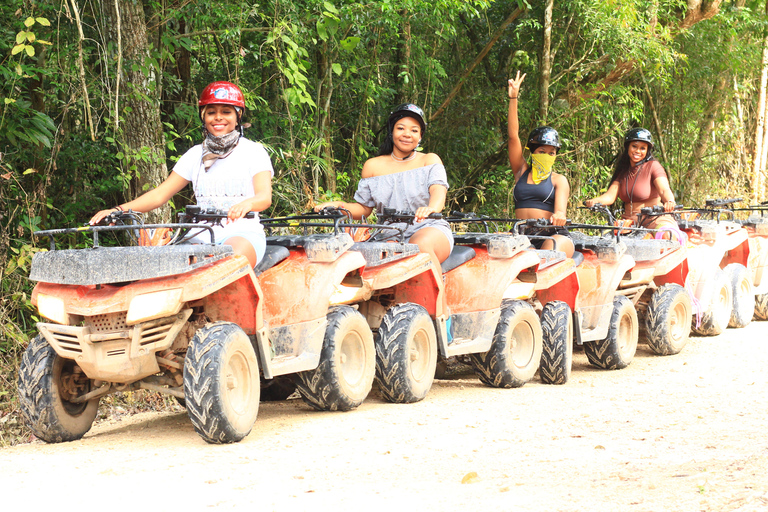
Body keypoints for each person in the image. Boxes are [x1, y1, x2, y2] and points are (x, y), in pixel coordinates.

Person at [90, 81, 273, 267]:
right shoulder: (195, 154)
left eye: (226, 112)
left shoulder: (253, 152)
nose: (218, 117)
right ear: (203, 116)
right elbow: (160, 194)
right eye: (211, 112)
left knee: (226, 263)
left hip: (242, 233)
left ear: (237, 116)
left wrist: (247, 204)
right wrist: (118, 210)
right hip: (201, 233)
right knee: (162, 266)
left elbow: (264, 198)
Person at [315, 103, 453, 264]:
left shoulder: (429, 160)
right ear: (391, 131)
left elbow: (438, 191)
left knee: (419, 246)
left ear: (420, 136)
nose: (407, 134)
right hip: (388, 234)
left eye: (414, 130)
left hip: (429, 229)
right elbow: (364, 209)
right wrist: (339, 205)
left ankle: (438, 290)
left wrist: (431, 208)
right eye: (401, 128)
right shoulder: (373, 166)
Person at [507, 71, 574, 257]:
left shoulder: (558, 180)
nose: (546, 156)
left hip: (552, 235)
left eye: (551, 153)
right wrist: (513, 98)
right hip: (522, 235)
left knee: (547, 254)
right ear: (533, 152)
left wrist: (559, 216)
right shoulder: (521, 171)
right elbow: (513, 137)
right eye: (542, 152)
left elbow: (560, 211)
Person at [585, 128, 676, 230]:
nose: (637, 151)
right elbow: (610, 196)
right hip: (628, 220)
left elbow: (664, 190)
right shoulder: (623, 170)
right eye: (634, 146)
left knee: (666, 234)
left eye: (642, 148)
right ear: (628, 147)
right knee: (607, 240)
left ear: (647, 151)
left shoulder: (653, 166)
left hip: (654, 218)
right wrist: (595, 201)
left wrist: (670, 201)